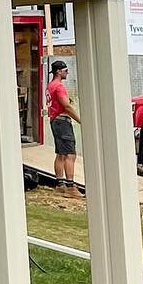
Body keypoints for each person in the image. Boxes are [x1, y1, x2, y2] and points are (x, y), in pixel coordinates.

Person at [46, 61, 80, 195]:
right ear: (59, 71)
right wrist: (80, 119)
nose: (67, 73)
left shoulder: (50, 86)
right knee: (70, 154)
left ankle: (60, 184)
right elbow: (66, 106)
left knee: (60, 154)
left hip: (54, 120)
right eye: (65, 70)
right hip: (62, 121)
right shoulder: (59, 86)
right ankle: (71, 187)